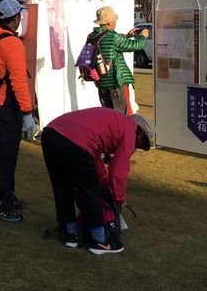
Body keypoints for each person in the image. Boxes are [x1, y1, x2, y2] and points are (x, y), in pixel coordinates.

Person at [41, 108, 154, 254]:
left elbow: (94, 157)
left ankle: (70, 235)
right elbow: (118, 171)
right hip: (76, 142)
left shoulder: (114, 122)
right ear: (140, 133)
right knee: (90, 191)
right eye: (141, 143)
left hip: (50, 134)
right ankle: (100, 241)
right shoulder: (129, 131)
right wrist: (119, 199)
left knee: (62, 186)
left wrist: (104, 181)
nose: (136, 147)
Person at [0, 0, 35, 223]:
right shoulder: (11, 43)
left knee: (6, 154)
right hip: (5, 107)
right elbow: (18, 80)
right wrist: (27, 111)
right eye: (19, 16)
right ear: (15, 19)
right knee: (4, 158)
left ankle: (7, 196)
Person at [90, 6, 149, 114]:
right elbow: (136, 45)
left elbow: (110, 46)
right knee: (122, 118)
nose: (115, 22)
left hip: (101, 84)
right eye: (114, 20)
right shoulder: (113, 37)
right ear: (108, 23)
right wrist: (142, 36)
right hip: (117, 84)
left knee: (109, 118)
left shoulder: (92, 36)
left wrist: (126, 36)